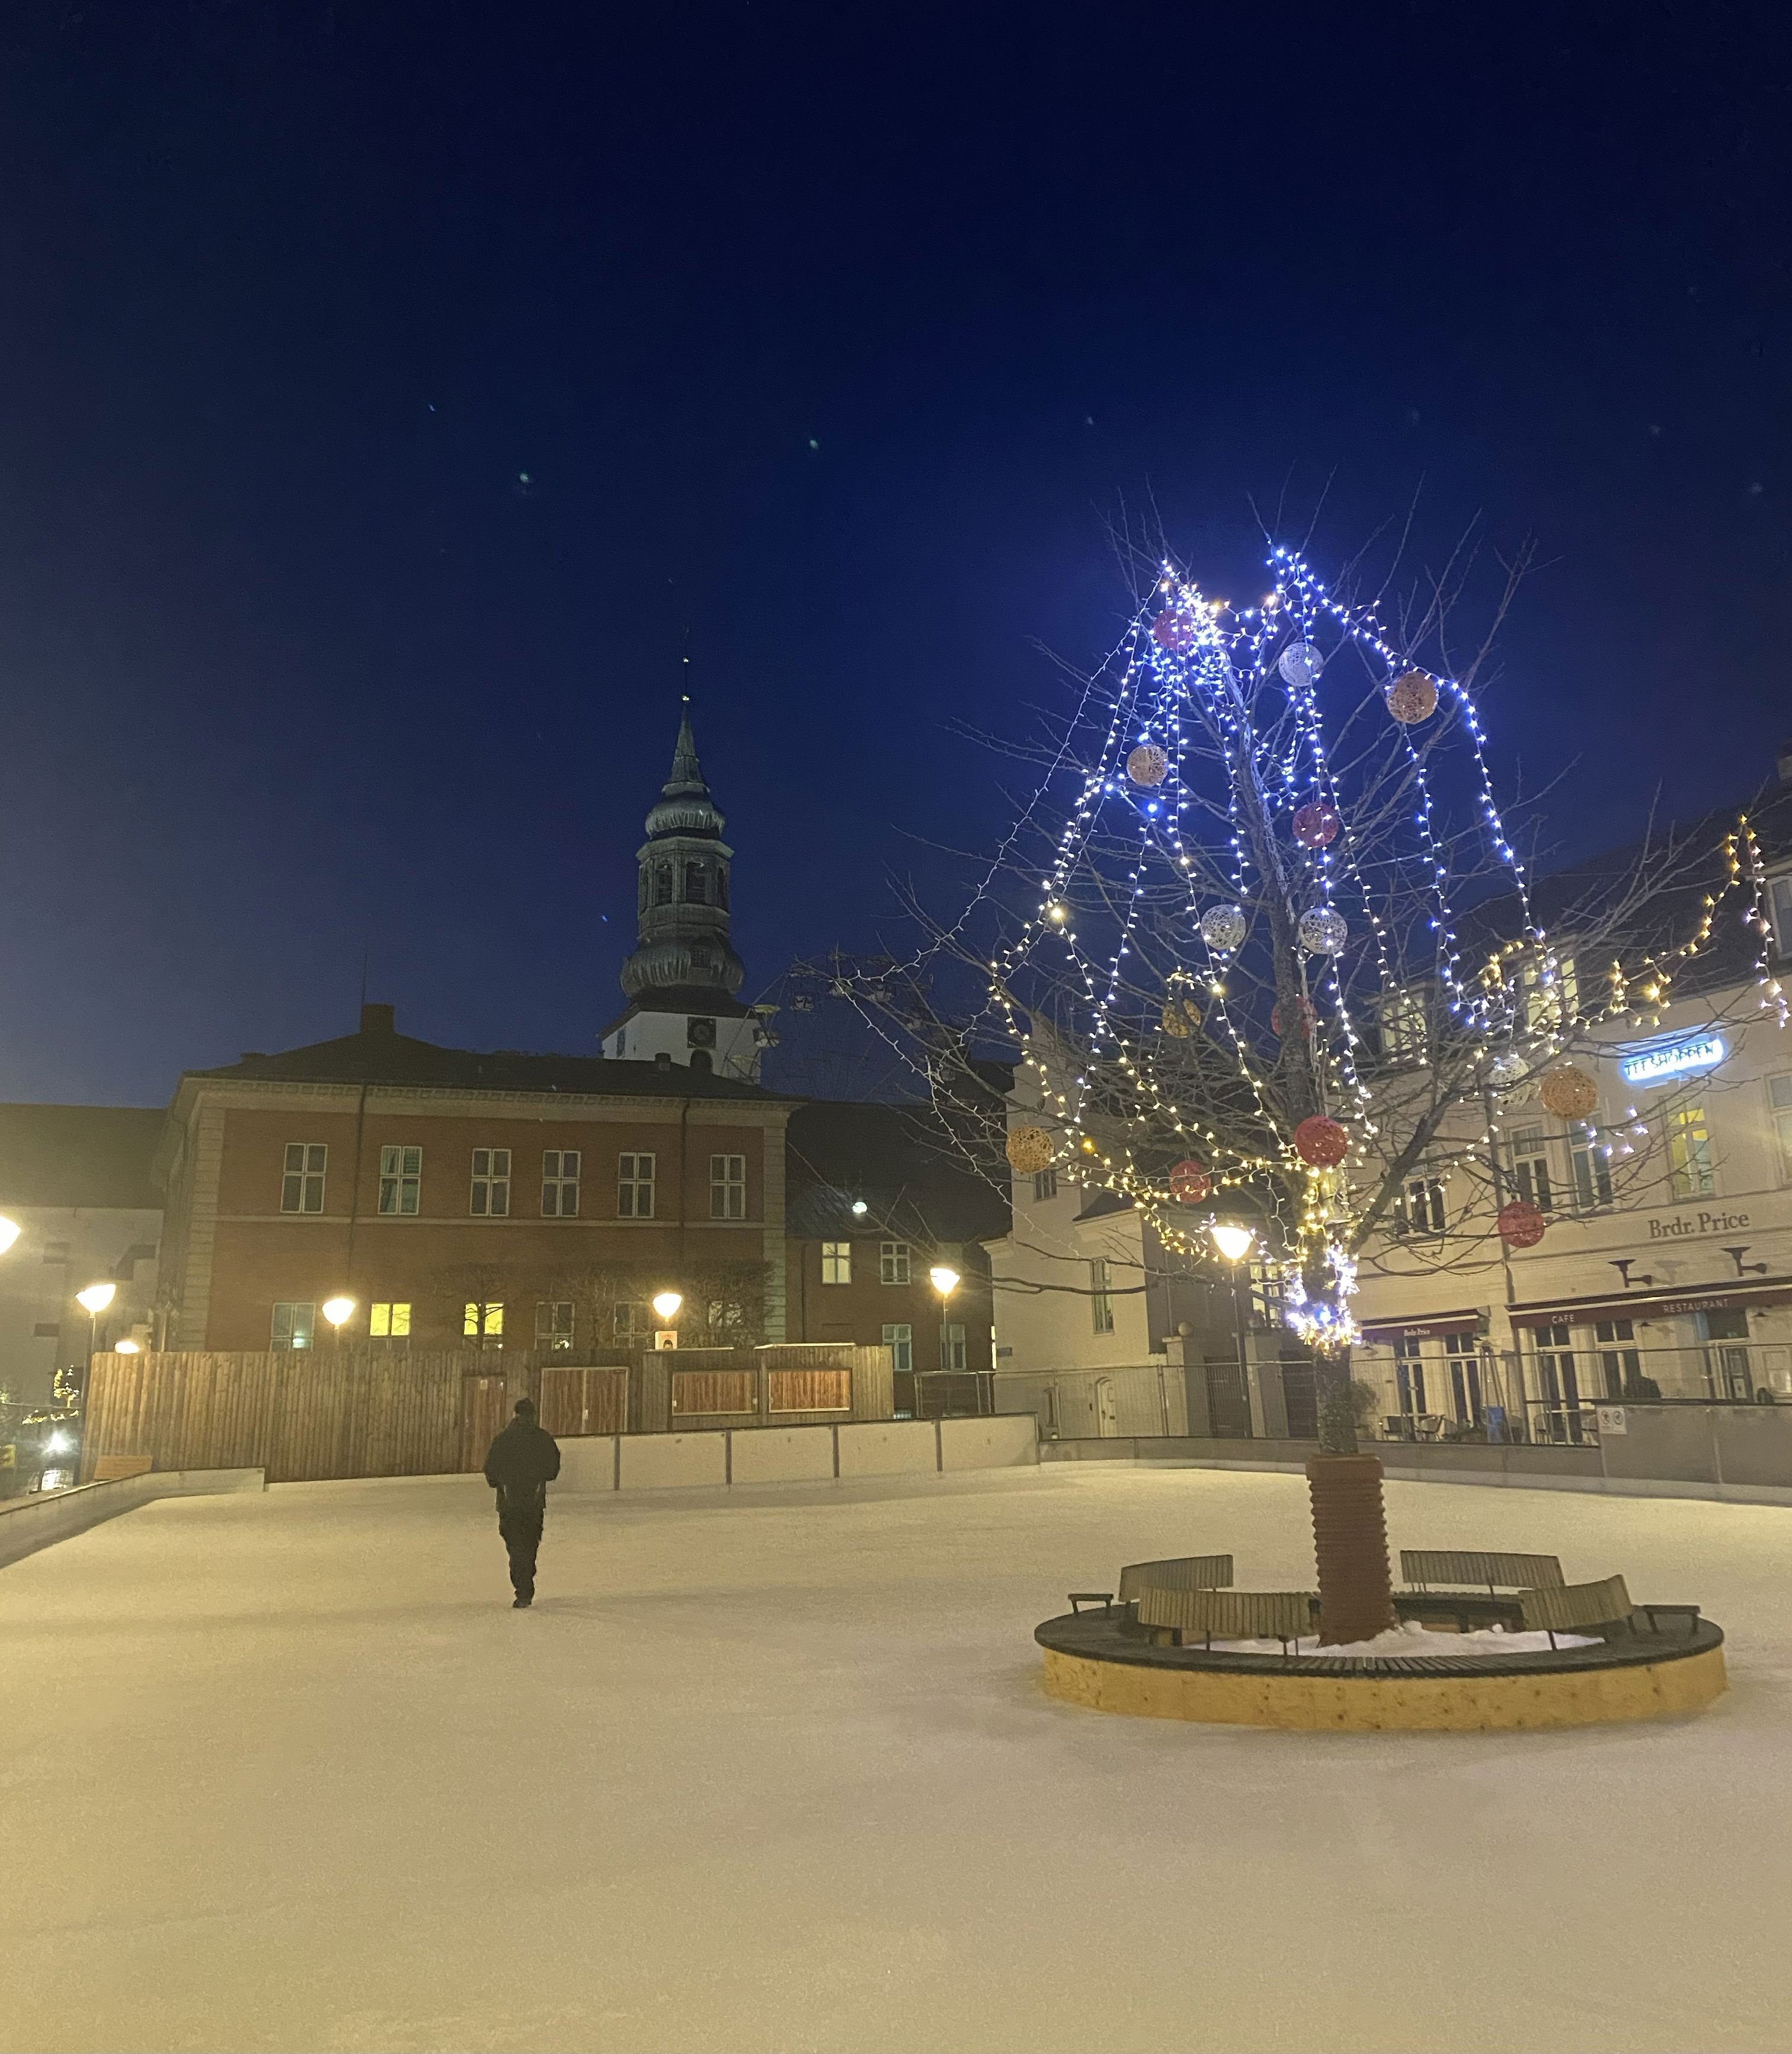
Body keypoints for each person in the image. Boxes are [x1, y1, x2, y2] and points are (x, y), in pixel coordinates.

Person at [482, 1396, 561, 1607]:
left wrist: (501, 1483)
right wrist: (537, 1478)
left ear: (515, 1414)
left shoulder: (502, 1440)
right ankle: (526, 1580)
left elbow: (490, 1471)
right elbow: (553, 1469)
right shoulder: (543, 1439)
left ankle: (522, 1586)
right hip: (534, 1502)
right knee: (530, 1543)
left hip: (509, 1502)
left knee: (515, 1545)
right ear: (533, 1415)